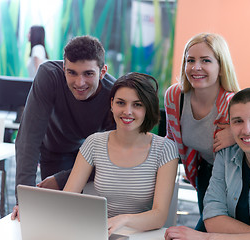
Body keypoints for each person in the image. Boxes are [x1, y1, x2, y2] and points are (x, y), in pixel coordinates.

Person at [164, 33, 250, 231]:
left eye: (205, 60)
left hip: (236, 174)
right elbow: (171, 142)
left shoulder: (231, 103)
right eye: (190, 60)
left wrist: (235, 133)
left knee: (212, 230)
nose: (196, 67)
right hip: (205, 172)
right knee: (212, 225)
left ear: (221, 67)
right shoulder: (175, 97)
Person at [164, 87, 250, 240]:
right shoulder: (226, 152)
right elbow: (212, 217)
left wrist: (205, 238)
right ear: (230, 124)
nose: (246, 130)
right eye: (238, 121)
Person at [11, 35, 116, 220]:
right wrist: (24, 199)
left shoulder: (114, 94)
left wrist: (62, 179)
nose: (79, 82)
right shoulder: (49, 75)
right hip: (55, 150)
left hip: (93, 159)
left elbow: (110, 159)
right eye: (72, 72)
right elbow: (28, 139)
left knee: (85, 217)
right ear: (63, 68)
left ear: (103, 71)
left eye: (88, 74)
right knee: (54, 216)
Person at [64, 72, 179, 236]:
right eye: (121, 103)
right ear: (112, 104)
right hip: (101, 233)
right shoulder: (94, 143)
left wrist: (123, 220)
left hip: (141, 235)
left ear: (148, 108)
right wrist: (32, 209)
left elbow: (159, 216)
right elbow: (67, 199)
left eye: (137, 105)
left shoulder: (165, 149)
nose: (128, 111)